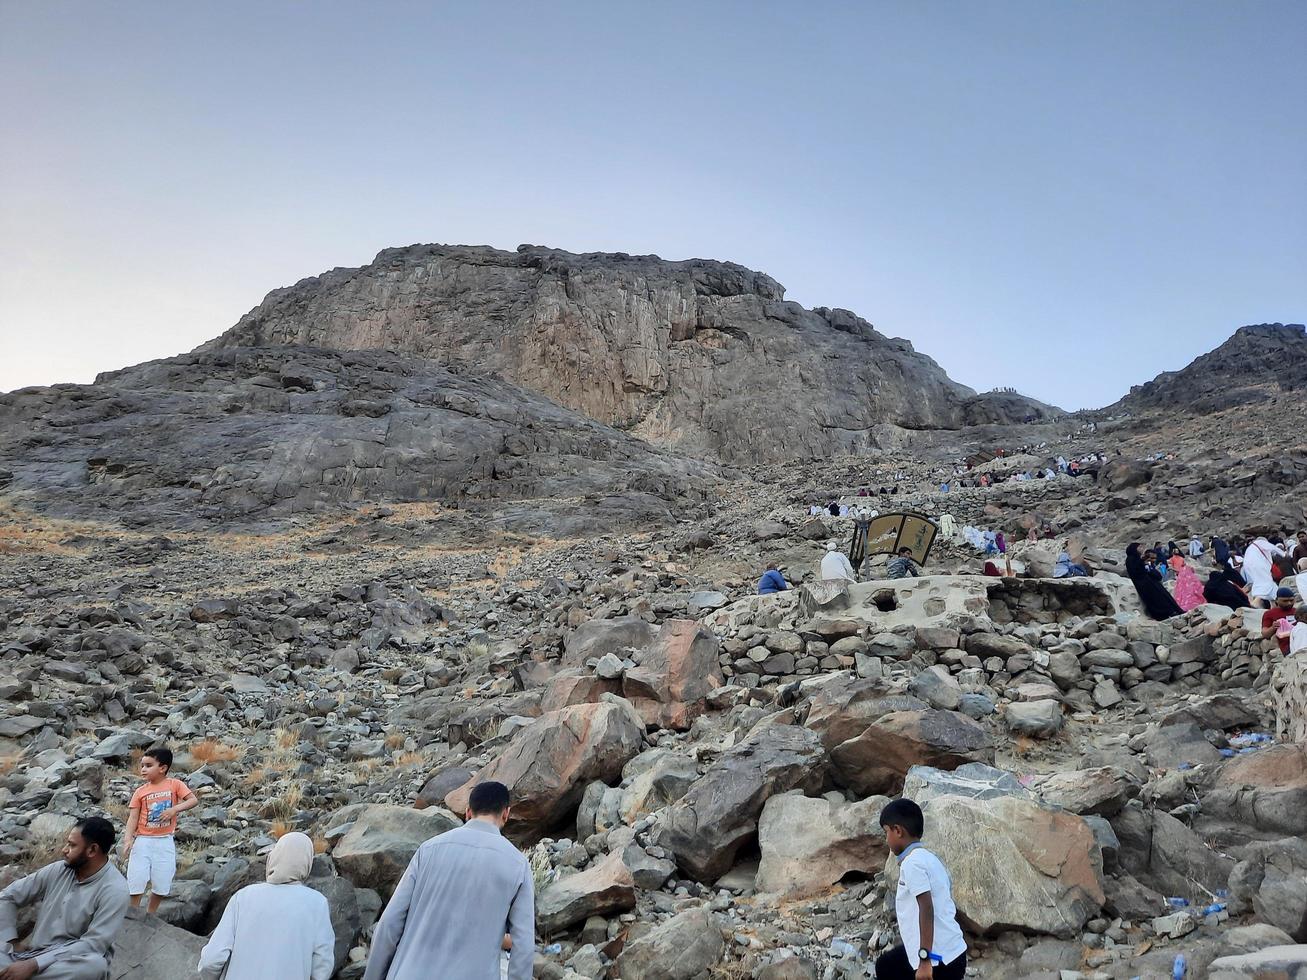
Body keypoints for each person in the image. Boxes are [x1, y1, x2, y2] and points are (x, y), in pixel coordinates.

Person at [363, 781, 534, 980]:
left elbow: (389, 924)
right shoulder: (517, 864)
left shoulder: (428, 850)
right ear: (506, 813)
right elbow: (523, 945)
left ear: (469, 812)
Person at [0, 817, 129, 980]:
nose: (64, 850)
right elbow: (7, 897)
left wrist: (34, 964)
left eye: (72, 845)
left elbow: (93, 945)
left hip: (66, 964)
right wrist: (10, 941)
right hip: (28, 955)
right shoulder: (58, 869)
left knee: (94, 966)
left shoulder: (115, 889)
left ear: (92, 850)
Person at [198, 832, 334, 980]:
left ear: (273, 857)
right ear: (307, 862)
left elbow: (211, 959)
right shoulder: (317, 904)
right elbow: (322, 968)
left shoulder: (243, 897)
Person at [875, 800, 967, 980]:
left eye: (887, 832)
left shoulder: (913, 863)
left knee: (887, 967)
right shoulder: (929, 858)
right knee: (886, 964)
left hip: (938, 960)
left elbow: (927, 908)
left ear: (898, 831)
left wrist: (925, 960)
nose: (886, 839)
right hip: (951, 953)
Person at [122, 746, 198, 914]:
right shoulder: (140, 791)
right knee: (136, 878)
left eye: (148, 765)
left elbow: (192, 800)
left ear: (163, 768)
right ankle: (132, 913)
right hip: (143, 840)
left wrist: (174, 809)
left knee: (162, 878)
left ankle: (151, 914)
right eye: (142, 765)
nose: (143, 769)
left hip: (165, 839)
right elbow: (133, 817)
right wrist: (128, 839)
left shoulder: (175, 785)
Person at [1126, 543, 1183, 621]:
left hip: (1149, 580)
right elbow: (1136, 571)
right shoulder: (1131, 559)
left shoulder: (1137, 558)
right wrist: (1143, 562)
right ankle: (1166, 613)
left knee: (1164, 595)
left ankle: (1175, 610)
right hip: (1142, 583)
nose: (1141, 549)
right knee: (1157, 598)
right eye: (1139, 547)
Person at [1243, 537, 1285, 607]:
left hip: (1251, 568)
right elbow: (1273, 548)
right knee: (1266, 584)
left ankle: (1273, 606)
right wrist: (1283, 554)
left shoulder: (1250, 548)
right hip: (1260, 568)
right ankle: (1255, 603)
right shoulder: (1260, 542)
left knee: (1271, 587)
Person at [1261, 587, 1297, 656]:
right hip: (1285, 648)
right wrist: (1273, 627)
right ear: (1277, 600)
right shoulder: (1269, 614)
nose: (1289, 603)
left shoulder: (1298, 611)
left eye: (1291, 600)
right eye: (1285, 601)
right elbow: (1265, 634)